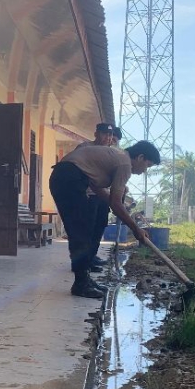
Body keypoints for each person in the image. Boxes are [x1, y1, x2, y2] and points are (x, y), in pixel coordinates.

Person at [49, 140, 161, 299]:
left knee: (83, 230)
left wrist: (121, 209)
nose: (144, 171)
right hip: (69, 177)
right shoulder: (125, 164)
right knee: (81, 231)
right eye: (147, 166)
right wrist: (136, 229)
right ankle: (81, 284)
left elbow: (96, 187)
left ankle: (84, 279)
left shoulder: (117, 157)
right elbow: (115, 203)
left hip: (66, 176)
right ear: (140, 157)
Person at [86, 124, 120, 273]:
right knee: (88, 229)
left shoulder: (111, 153)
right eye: (104, 134)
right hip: (87, 196)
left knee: (99, 227)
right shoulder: (85, 148)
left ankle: (91, 258)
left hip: (103, 196)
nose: (108, 137)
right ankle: (84, 261)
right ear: (96, 134)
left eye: (110, 135)